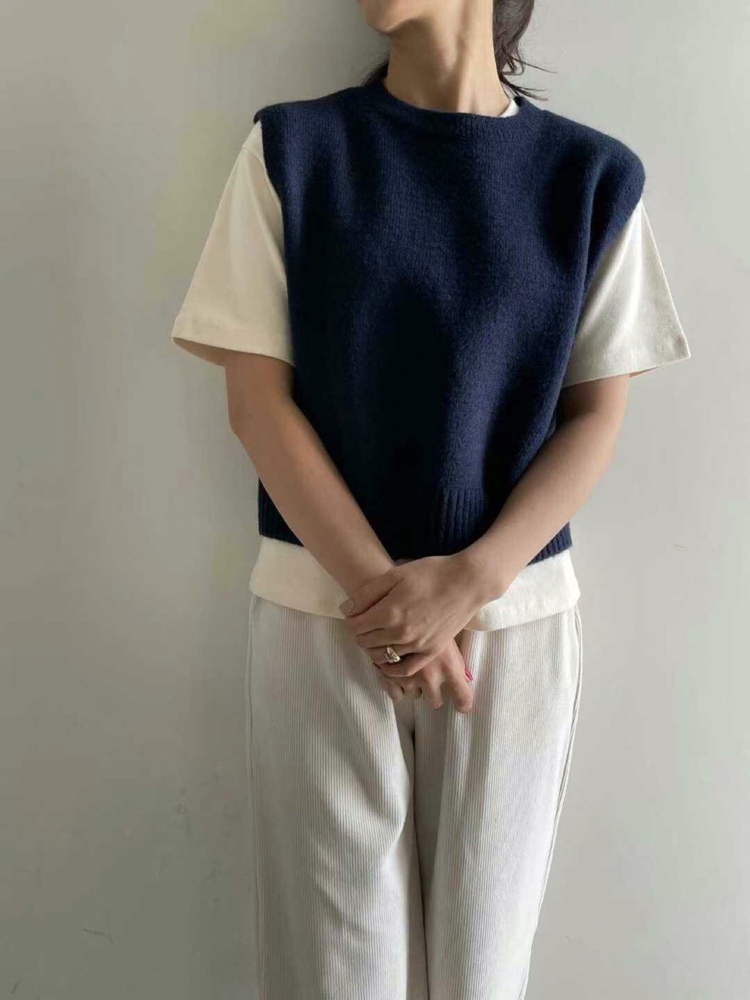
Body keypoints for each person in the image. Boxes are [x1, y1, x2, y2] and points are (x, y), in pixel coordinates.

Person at [170, 1, 691, 996]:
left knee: (482, 977)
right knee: (335, 980)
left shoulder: (591, 176)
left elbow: (595, 418)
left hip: (513, 627)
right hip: (323, 616)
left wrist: (468, 583)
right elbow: (256, 403)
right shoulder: (293, 150)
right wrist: (389, 603)